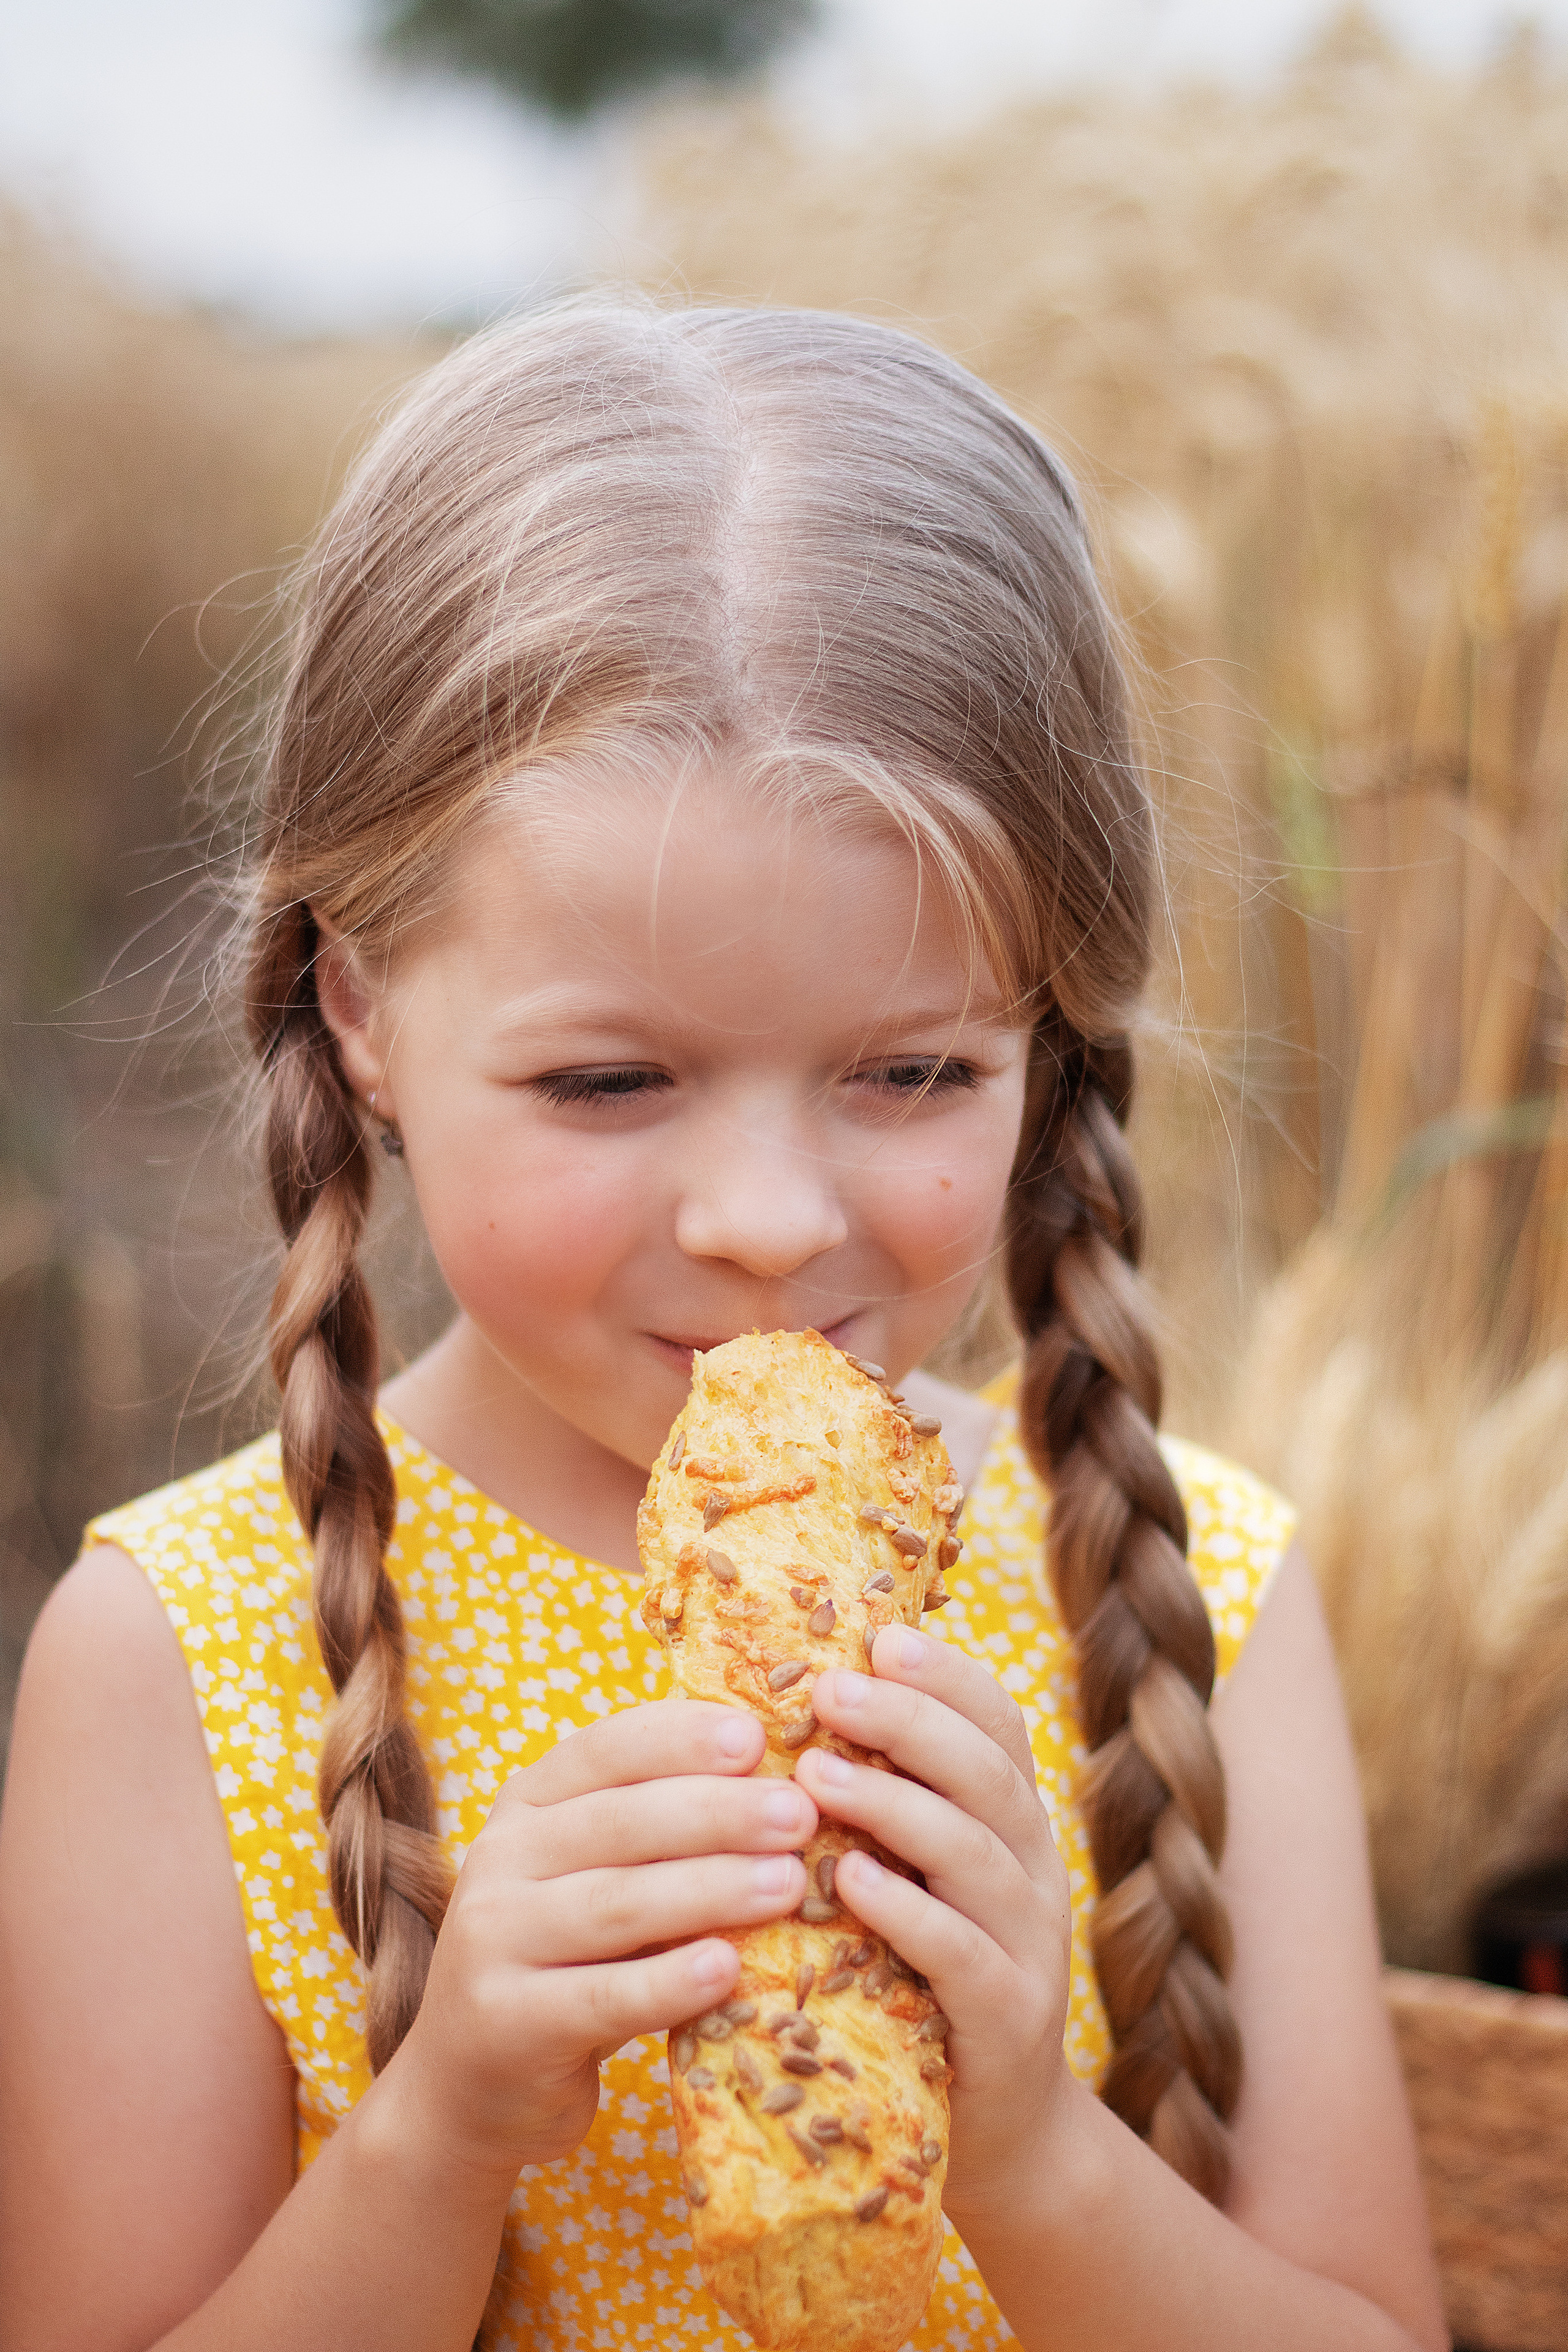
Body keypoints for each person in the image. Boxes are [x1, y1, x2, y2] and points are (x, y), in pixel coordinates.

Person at [0, 303, 1447, 2352]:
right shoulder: (177, 1653)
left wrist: (1034, 2148)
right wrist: (445, 2134)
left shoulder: (1191, 1586)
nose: (767, 1224)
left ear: (1049, 1035)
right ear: (362, 1011)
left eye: (914, 1073)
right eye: (609, 1083)